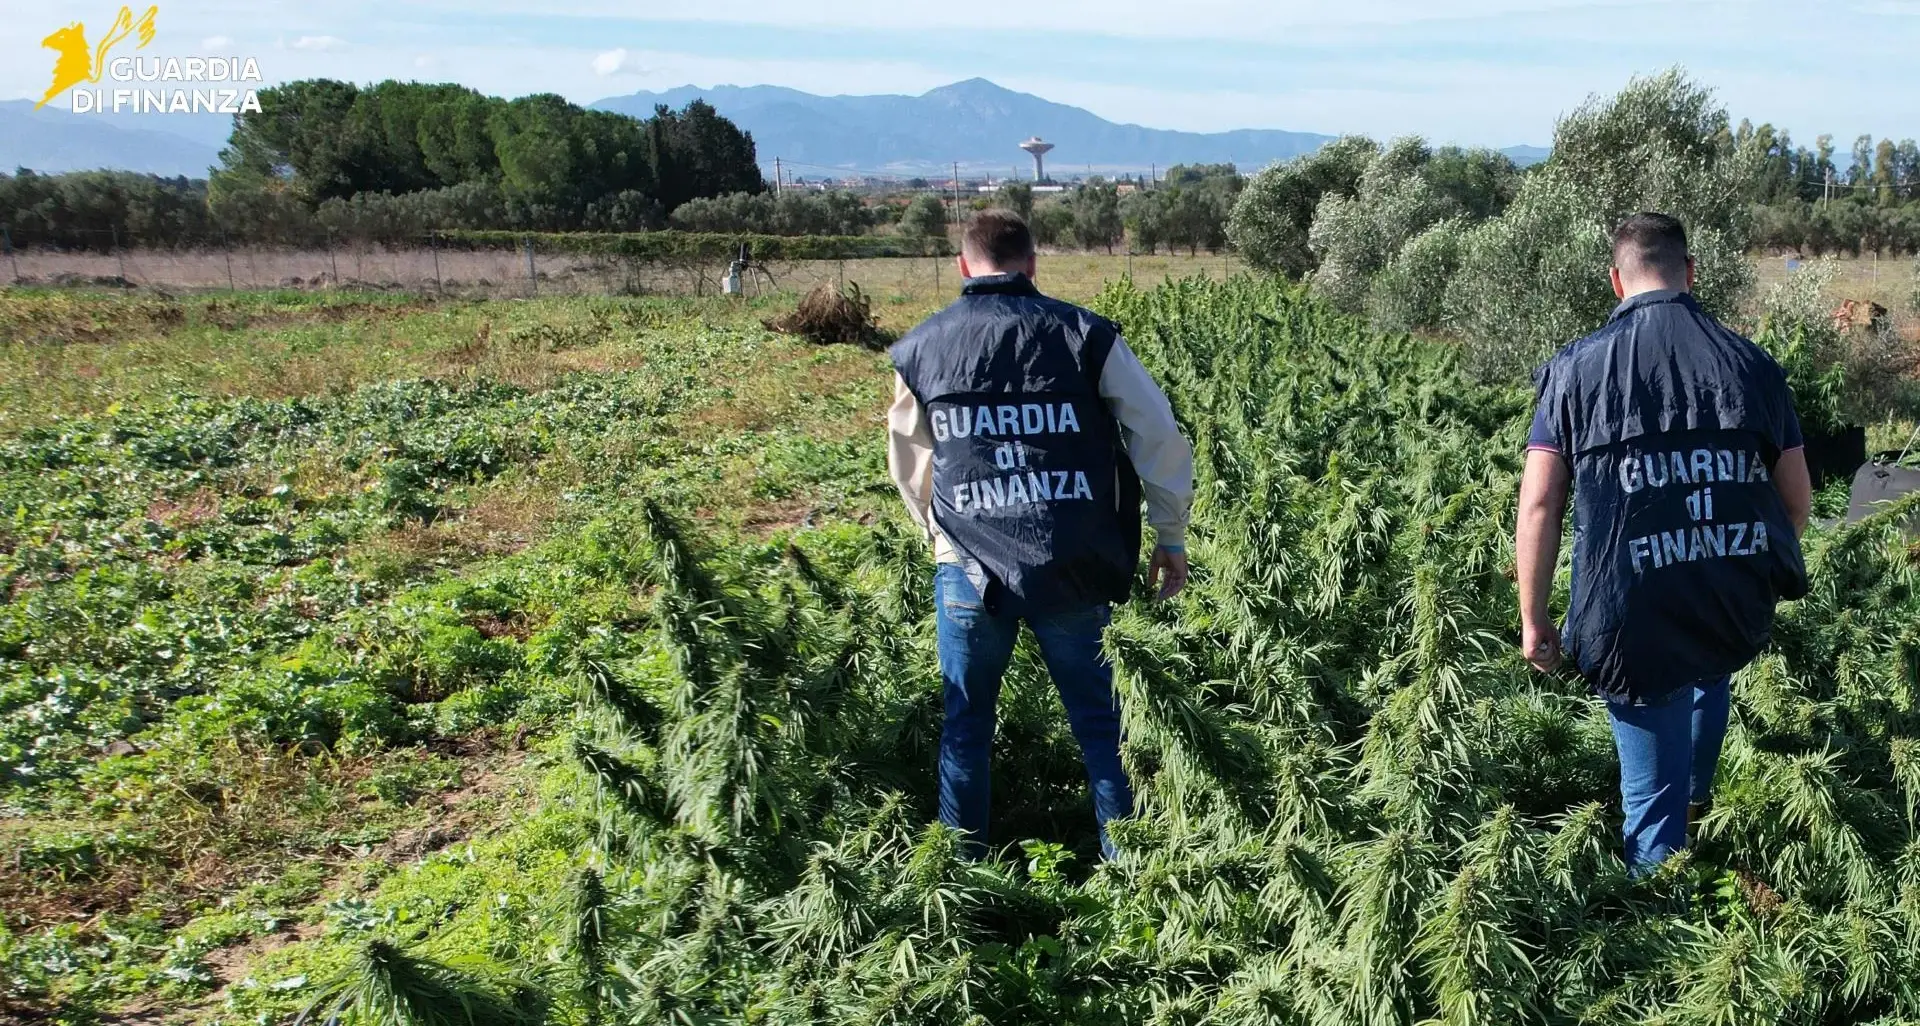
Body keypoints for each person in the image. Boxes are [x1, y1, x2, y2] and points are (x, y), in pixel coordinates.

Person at [887, 209, 1195, 860]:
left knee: (966, 725)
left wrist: (940, 536)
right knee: (1101, 725)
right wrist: (1170, 533)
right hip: (1071, 560)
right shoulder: (1086, 335)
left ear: (963, 266)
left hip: (967, 568)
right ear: (1033, 263)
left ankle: (960, 880)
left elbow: (909, 461)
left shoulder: (920, 348)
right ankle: (1133, 877)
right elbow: (1158, 433)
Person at [1516, 212, 1813, 873]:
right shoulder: (1753, 366)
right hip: (1726, 597)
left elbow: (1539, 501)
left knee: (1650, 812)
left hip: (1630, 616)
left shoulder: (1573, 371)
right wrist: (1732, 554)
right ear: (1691, 272)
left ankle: (1660, 934)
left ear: (1617, 281)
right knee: (1710, 669)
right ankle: (1699, 802)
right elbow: (1797, 502)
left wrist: (1534, 620)